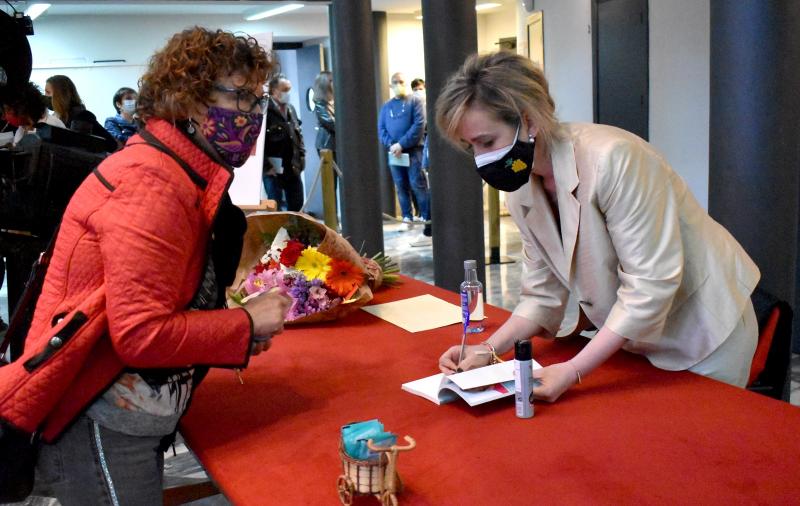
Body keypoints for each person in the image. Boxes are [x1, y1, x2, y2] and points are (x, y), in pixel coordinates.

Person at [0, 27, 291, 504]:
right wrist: (242, 322)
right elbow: (139, 334)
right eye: (242, 97)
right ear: (188, 101)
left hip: (123, 411)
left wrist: (231, 332)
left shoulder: (175, 171)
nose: (254, 114)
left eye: (258, 99)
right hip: (104, 419)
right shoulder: (151, 182)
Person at [436, 52, 760, 400]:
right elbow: (542, 294)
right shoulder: (522, 188)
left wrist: (574, 370)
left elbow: (650, 284)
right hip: (636, 338)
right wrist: (488, 349)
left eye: (487, 142)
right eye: (471, 147)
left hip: (702, 332)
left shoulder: (614, 158)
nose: (482, 159)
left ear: (528, 121)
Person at [378, 72, 430, 229]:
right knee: (400, 185)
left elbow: (419, 125)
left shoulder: (415, 101)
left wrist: (402, 144)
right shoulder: (387, 106)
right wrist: (393, 145)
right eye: (395, 82)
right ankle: (407, 217)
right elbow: (381, 129)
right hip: (395, 153)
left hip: (414, 150)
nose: (398, 84)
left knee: (417, 184)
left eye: (401, 81)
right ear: (390, 85)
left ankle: (426, 217)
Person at [263, 74, 305, 211]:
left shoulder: (290, 109)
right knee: (275, 207)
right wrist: (266, 166)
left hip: (292, 166)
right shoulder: (265, 110)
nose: (288, 93)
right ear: (274, 90)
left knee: (297, 203)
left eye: (289, 89)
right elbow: (258, 142)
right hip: (273, 169)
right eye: (285, 89)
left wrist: (302, 156)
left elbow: (298, 133)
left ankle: (294, 233)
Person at [45, 74, 117, 152]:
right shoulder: (54, 116)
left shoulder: (82, 116)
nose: (45, 96)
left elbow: (111, 144)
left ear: (61, 95)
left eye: (48, 92)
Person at [0, 81, 64, 146]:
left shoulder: (53, 126)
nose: (3, 117)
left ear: (21, 109)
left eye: (6, 111)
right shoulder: (22, 128)